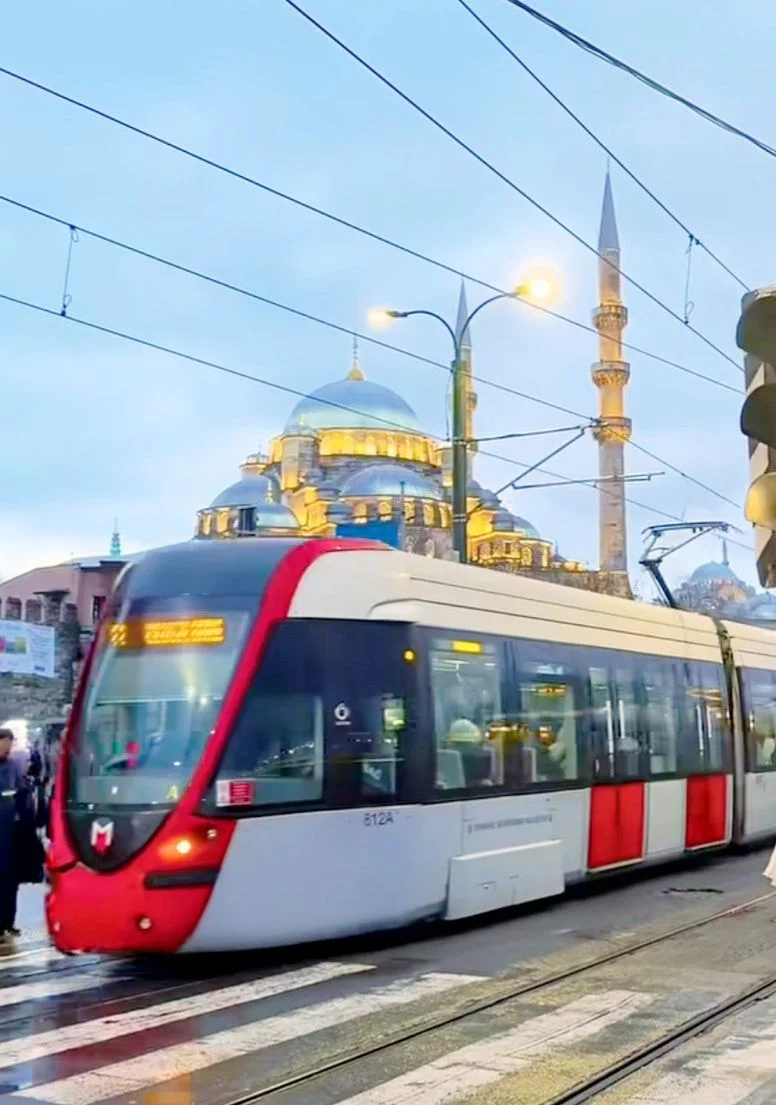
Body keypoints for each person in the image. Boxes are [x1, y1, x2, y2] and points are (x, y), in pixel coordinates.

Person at [0, 728, 31, 938]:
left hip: (11, 830)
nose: (8, 747)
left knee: (11, 880)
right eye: (5, 743)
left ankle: (8, 922)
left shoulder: (12, 765)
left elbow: (21, 789)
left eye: (10, 743)